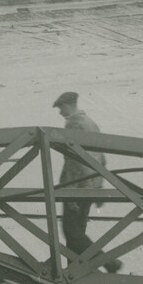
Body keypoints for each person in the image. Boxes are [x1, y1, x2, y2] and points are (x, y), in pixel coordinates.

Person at [53, 91, 121, 274]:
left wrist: (70, 193)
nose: (60, 112)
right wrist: (99, 187)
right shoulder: (91, 124)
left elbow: (74, 161)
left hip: (78, 186)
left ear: (69, 105)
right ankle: (76, 275)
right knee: (78, 231)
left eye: (61, 108)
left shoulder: (74, 124)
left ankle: (108, 262)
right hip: (91, 185)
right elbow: (101, 157)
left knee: (71, 231)